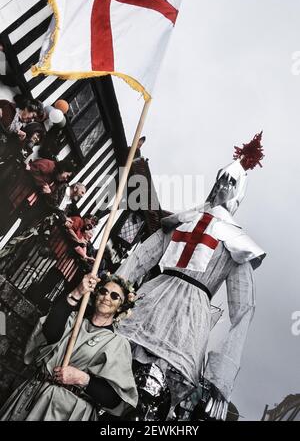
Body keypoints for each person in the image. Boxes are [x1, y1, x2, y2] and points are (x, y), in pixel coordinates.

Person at [116, 133, 266, 421]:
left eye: (231, 182)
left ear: (239, 191)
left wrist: (220, 374)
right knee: (112, 364)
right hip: (151, 297)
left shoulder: (238, 242)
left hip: (188, 323)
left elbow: (243, 310)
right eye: (221, 178)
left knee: (153, 399)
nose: (223, 185)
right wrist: (109, 293)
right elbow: (139, 258)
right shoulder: (182, 220)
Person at [0, 273, 138, 421]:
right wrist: (78, 292)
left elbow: (114, 399)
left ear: (120, 307)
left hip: (67, 411)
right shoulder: (73, 319)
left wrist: (83, 379)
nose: (107, 297)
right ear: (96, 294)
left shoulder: (117, 343)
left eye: (115, 296)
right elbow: (50, 332)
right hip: (34, 393)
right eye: (103, 291)